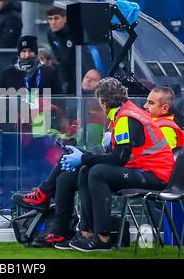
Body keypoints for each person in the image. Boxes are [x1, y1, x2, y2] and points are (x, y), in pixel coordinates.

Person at [63, 77, 174, 252]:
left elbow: (118, 159)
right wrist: (85, 160)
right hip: (143, 170)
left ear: (103, 102)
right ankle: (86, 232)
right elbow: (119, 157)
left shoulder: (126, 118)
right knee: (86, 171)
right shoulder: (124, 114)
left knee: (97, 172)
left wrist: (84, 157)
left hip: (155, 175)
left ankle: (102, 237)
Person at [46, 7, 76, 94]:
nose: (53, 22)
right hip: (63, 71)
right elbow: (58, 56)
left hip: (78, 71)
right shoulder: (50, 34)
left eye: (56, 18)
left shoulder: (74, 32)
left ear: (65, 19)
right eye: (50, 19)